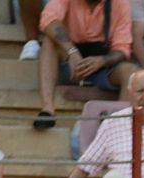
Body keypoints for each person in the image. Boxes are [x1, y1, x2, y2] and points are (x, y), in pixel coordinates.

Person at [34, 0, 138, 131]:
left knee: (130, 72)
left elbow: (122, 49)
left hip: (103, 64)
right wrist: (72, 51)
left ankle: (116, 126)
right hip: (70, 59)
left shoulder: (120, 3)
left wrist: (101, 61)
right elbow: (48, 19)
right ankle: (47, 109)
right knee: (49, 42)